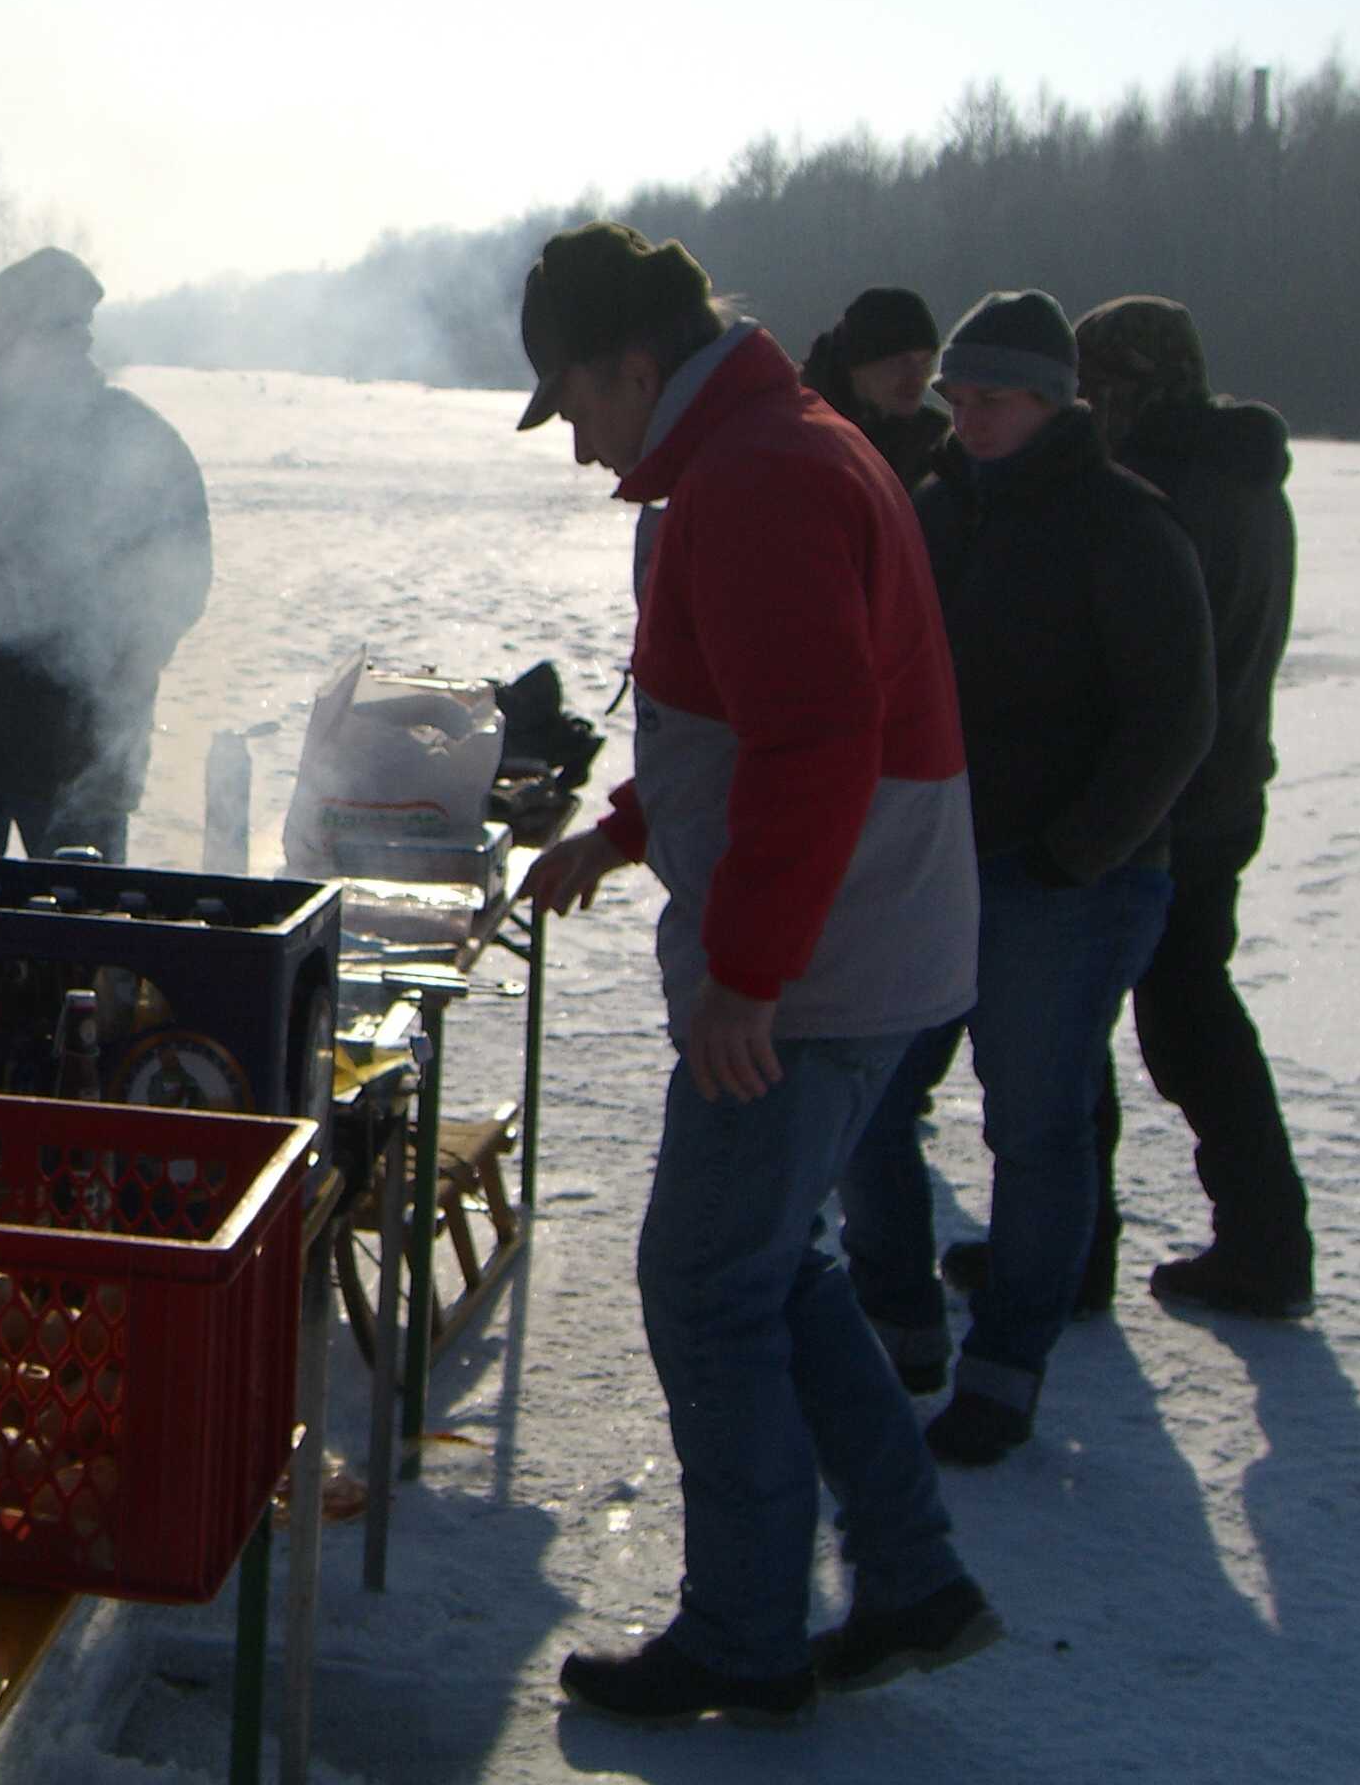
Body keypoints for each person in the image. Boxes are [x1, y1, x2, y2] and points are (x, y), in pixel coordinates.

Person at [513, 224, 995, 1725]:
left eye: (573, 403)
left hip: (823, 966)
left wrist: (749, 975)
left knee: (706, 1282)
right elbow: (738, 710)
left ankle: (743, 1634)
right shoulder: (760, 447)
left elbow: (819, 740)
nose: (578, 445)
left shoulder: (762, 476)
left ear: (633, 364)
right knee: (775, 1270)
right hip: (855, 946)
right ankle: (911, 1579)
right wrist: (628, 832)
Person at [837, 290, 1215, 1463]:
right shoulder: (936, 506)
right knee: (868, 1100)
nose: (969, 415)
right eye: (959, 395)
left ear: (1055, 401)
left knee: (1036, 1127)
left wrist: (1076, 854)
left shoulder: (1125, 525)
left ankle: (1004, 1369)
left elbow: (1176, 719)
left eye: (993, 397)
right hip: (933, 864)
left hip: (1069, 884)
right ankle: (898, 1319)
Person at [1076, 295, 1312, 1316]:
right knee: (1187, 1020)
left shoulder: (1162, 487)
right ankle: (1263, 1241)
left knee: (1091, 1026)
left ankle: (1078, 1248)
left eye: (1099, 383)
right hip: (1219, 792)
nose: (1087, 405)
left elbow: (1140, 667)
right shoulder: (1244, 478)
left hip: (1161, 807)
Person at [0, 247, 211, 882]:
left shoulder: (137, 442)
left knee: (79, 932)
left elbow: (177, 583)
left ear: (43, 330)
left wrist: (114, 676)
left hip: (78, 754)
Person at [799, 284, 950, 485]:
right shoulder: (804, 438)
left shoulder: (940, 443)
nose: (917, 377)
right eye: (900, 362)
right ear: (857, 367)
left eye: (926, 362)